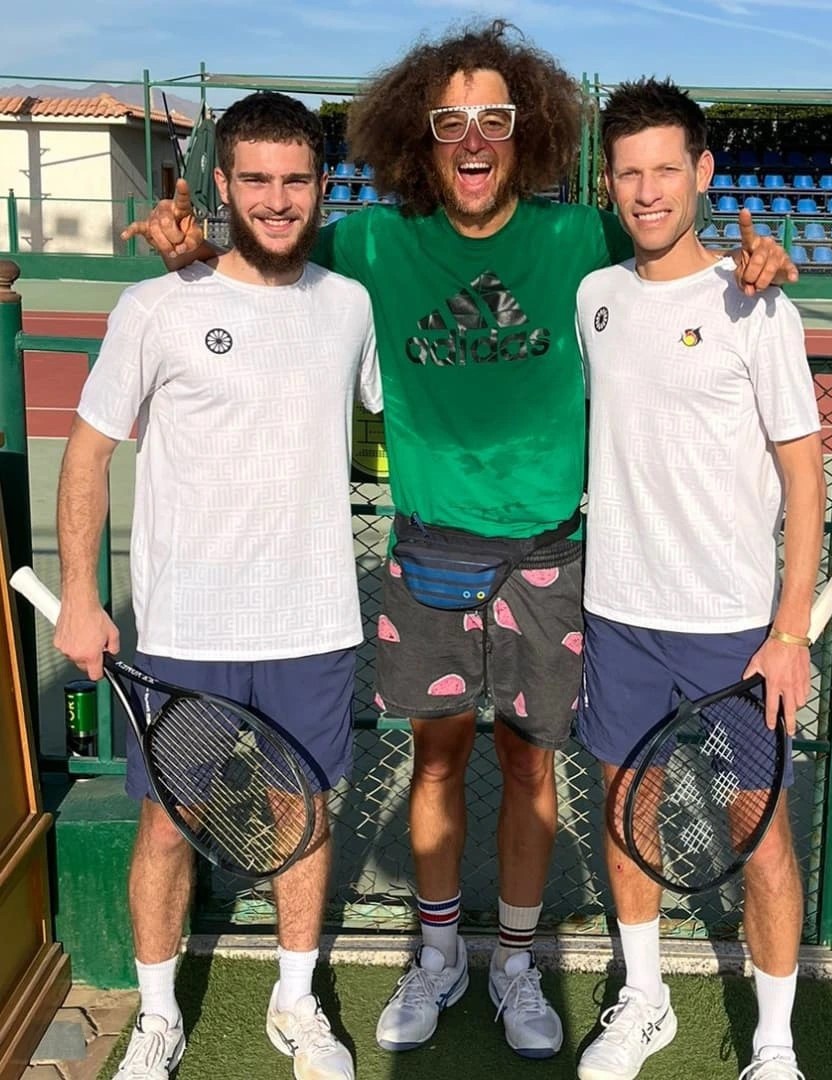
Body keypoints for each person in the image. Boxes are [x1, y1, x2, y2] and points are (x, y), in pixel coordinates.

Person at [123, 20, 798, 1061]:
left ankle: (516, 964)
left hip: (554, 556)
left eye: (496, 117)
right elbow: (267, 259)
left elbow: (685, 256)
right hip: (428, 554)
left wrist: (759, 258)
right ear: (418, 136)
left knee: (531, 772)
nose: (474, 138)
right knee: (436, 766)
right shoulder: (373, 245)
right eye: (451, 121)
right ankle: (438, 958)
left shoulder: (586, 239)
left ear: (525, 132)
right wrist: (198, 247)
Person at [58, 91, 380, 1080]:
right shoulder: (156, 305)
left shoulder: (350, 304)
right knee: (167, 820)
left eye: (296, 179)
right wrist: (80, 594)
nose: (277, 200)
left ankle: (295, 1002)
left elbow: (397, 412)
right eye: (256, 180)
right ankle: (156, 1016)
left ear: (322, 187)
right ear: (222, 185)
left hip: (313, 621)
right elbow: (86, 456)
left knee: (303, 811)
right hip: (187, 628)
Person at [573, 78, 825, 1080]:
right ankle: (644, 1000)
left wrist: (790, 627)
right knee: (627, 815)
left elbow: (803, 472)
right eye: (628, 171)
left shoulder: (756, 300)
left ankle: (773, 1043)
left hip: (734, 629)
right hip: (619, 619)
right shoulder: (594, 298)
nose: (647, 190)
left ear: (702, 174)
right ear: (609, 181)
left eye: (666, 169)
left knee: (756, 839)